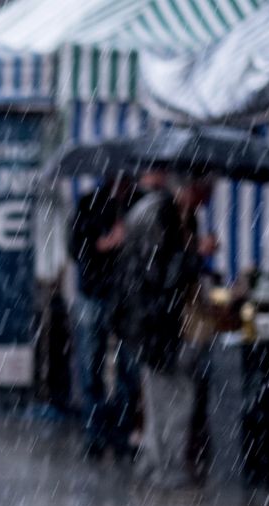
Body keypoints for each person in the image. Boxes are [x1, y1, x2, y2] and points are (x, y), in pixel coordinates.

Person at [116, 175, 215, 488]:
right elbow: (160, 273)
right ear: (191, 186)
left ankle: (152, 462)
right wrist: (196, 254)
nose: (210, 195)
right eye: (206, 188)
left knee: (161, 395)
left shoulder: (167, 212)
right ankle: (165, 468)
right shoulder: (161, 214)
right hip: (158, 323)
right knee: (172, 397)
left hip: (153, 321)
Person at [68, 174, 138, 458]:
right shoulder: (89, 204)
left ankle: (121, 434)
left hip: (127, 297)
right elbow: (76, 247)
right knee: (91, 366)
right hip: (94, 293)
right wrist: (107, 243)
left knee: (127, 369)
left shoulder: (138, 204)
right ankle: (95, 434)